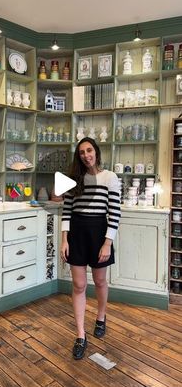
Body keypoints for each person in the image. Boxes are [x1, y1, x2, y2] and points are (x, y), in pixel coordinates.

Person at [60, 137, 121, 360]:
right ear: (79, 156)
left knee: (101, 281)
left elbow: (114, 213)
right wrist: (64, 239)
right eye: (82, 152)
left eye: (89, 150)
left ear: (96, 151)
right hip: (76, 233)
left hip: (99, 234)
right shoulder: (72, 179)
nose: (86, 155)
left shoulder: (110, 177)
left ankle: (101, 317)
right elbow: (66, 211)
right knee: (78, 284)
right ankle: (80, 335)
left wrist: (108, 242)